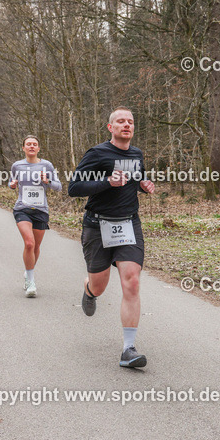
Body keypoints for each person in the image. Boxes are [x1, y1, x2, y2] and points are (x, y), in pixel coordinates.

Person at [68, 107, 155, 368]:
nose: (126, 125)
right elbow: (74, 188)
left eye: (130, 121)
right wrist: (107, 182)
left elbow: (137, 178)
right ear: (110, 127)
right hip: (97, 226)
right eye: (120, 121)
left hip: (129, 224)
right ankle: (89, 290)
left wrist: (144, 183)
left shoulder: (137, 154)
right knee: (100, 284)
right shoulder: (97, 154)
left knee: (132, 282)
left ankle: (128, 350)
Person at [9, 135, 61, 297]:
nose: (31, 146)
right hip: (22, 209)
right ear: (23, 148)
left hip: (41, 210)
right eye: (28, 144)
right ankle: (30, 281)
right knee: (29, 243)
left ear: (38, 148)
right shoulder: (17, 166)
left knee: (36, 247)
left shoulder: (47, 165)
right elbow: (11, 183)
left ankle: (28, 272)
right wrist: (11, 185)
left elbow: (58, 187)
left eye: (34, 144)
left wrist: (47, 181)